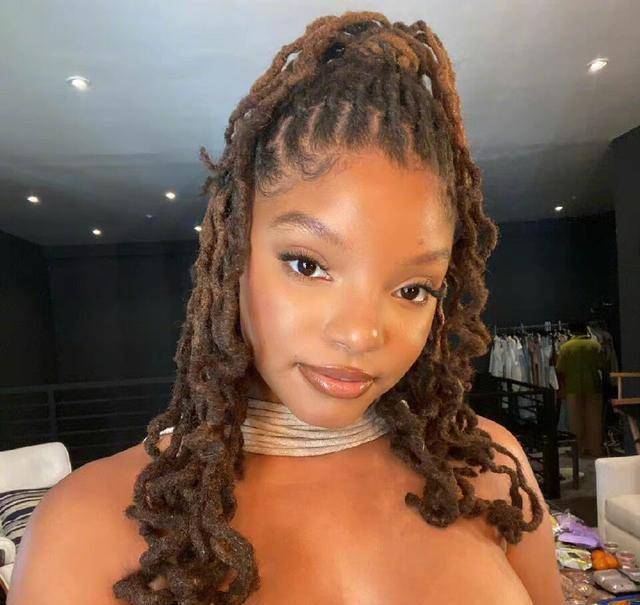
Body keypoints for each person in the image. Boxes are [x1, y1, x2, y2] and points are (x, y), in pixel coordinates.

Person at [9, 11, 564, 604]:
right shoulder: (84, 527)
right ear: (232, 255)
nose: (360, 334)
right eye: (307, 265)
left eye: (412, 289)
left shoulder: (489, 473)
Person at [556, 321, 604, 457]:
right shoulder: (595, 346)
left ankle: (578, 450)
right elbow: (602, 365)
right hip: (593, 386)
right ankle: (595, 448)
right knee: (594, 420)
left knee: (575, 421)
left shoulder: (566, 347)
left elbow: (560, 369)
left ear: (571, 331)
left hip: (573, 387)